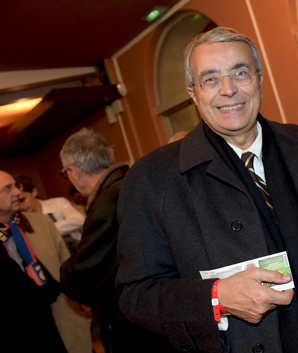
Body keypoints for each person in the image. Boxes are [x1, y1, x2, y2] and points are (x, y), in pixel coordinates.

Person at [116, 27, 298, 353]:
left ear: (259, 78)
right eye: (211, 79)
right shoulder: (152, 179)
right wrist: (216, 297)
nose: (228, 90)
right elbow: (136, 295)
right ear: (193, 92)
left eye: (240, 73)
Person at [58, 129, 171, 352]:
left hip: (137, 324)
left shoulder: (107, 204)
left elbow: (81, 279)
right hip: (163, 309)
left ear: (75, 171)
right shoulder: (139, 183)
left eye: (66, 172)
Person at [1, 170, 92, 353]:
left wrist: (83, 309)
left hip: (64, 321)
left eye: (15, 187)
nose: (17, 193)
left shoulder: (40, 223)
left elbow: (68, 269)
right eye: (7, 188)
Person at [15, 175, 85, 252]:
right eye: (17, 202)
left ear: (34, 192)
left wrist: (46, 231)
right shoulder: (22, 221)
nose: (21, 206)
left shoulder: (58, 203)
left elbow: (79, 220)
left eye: (22, 200)